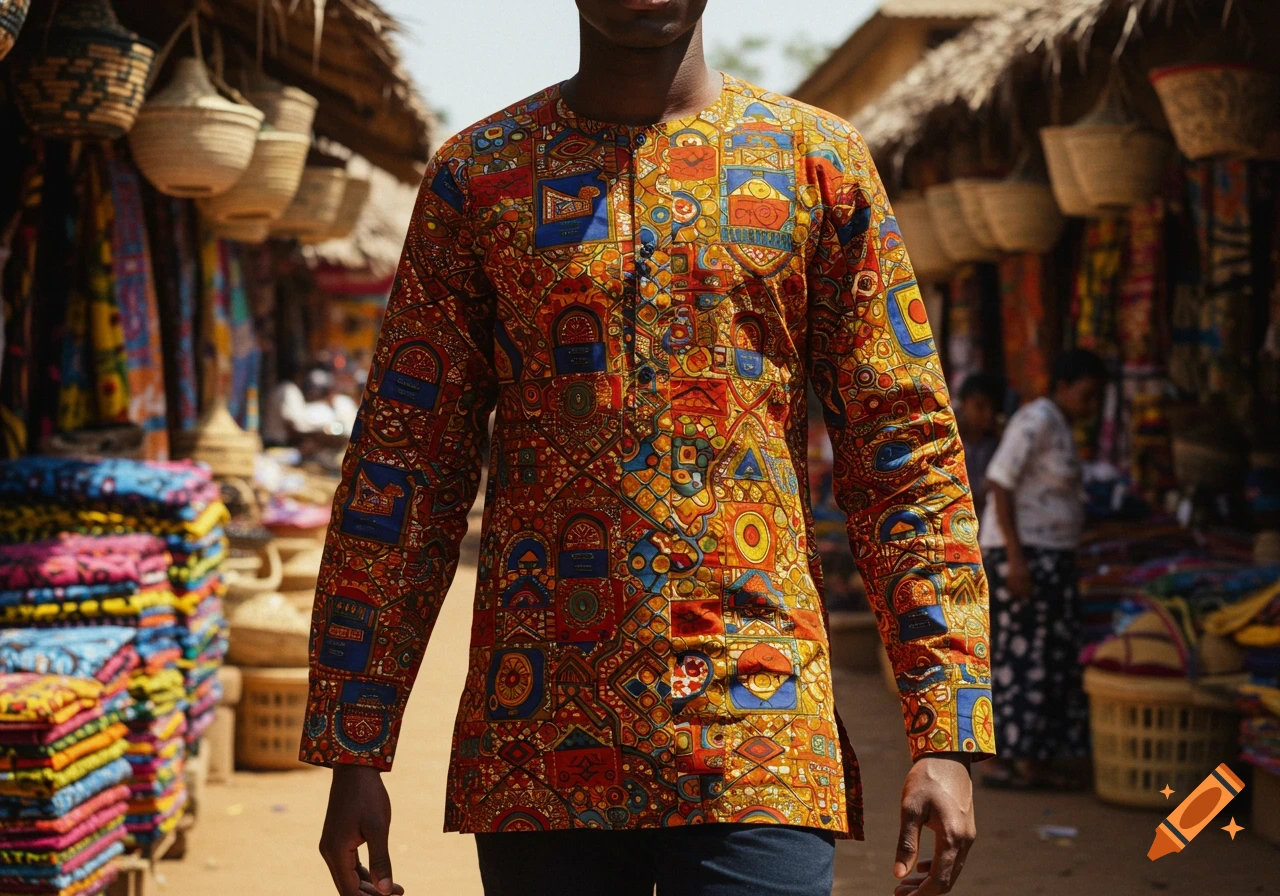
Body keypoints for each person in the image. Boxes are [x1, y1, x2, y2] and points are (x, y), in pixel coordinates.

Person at [306, 2, 993, 895]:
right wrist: (355, 740)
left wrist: (946, 728)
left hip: (761, 725)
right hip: (539, 734)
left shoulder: (816, 164)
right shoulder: (477, 180)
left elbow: (904, 451)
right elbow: (404, 462)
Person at [978, 349, 1106, 790]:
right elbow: (1000, 480)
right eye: (1086, 395)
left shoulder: (1058, 426)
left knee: (1047, 658)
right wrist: (1016, 558)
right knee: (1020, 657)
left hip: (1049, 556)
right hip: (1025, 557)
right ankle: (1002, 758)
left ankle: (1033, 759)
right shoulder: (1036, 420)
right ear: (1064, 387)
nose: (1090, 407)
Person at [956, 373, 1003, 520]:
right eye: (980, 406)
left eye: (992, 407)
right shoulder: (949, 444)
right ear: (963, 405)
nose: (988, 414)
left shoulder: (997, 444)